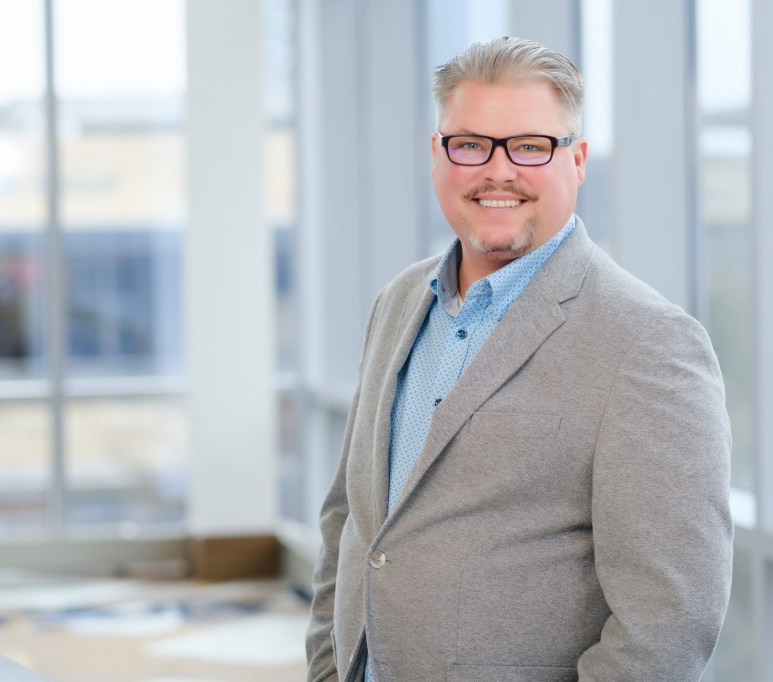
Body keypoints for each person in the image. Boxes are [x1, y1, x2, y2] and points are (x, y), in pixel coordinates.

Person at [305, 36, 733, 682]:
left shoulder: (648, 344)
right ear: (437, 156)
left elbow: (669, 623)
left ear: (578, 160)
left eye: (530, 146)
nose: (497, 171)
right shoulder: (399, 302)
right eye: (470, 144)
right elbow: (351, 522)